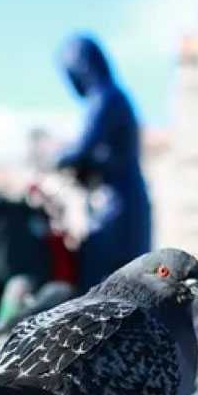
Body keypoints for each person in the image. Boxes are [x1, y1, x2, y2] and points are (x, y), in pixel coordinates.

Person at [56, 34, 151, 292]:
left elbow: (81, 149)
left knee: (99, 278)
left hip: (116, 206)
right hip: (128, 200)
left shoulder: (105, 98)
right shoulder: (116, 97)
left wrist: (55, 160)